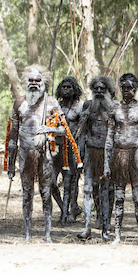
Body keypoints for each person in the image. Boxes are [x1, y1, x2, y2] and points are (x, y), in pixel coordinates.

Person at [7, 67, 72, 243]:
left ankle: (47, 234)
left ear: (44, 83)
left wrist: (49, 129)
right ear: (26, 82)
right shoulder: (19, 103)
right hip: (25, 154)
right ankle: (27, 234)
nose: (34, 84)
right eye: (31, 80)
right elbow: (13, 134)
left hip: (46, 156)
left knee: (45, 193)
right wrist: (10, 163)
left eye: (38, 81)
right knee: (27, 193)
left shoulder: (51, 103)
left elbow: (64, 131)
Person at [104, 73, 138, 246]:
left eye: (130, 87)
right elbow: (109, 137)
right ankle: (117, 234)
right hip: (118, 154)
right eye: (123, 87)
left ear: (136, 88)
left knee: (137, 198)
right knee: (119, 197)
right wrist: (106, 164)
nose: (126, 90)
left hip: (136, 154)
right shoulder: (114, 108)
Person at [77, 75, 117, 241]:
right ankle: (87, 227)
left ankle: (105, 229)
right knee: (88, 190)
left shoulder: (114, 108)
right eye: (96, 89)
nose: (99, 92)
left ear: (109, 91)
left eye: (103, 89)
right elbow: (81, 133)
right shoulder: (87, 106)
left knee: (107, 191)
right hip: (91, 153)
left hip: (109, 155)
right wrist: (80, 156)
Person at [52, 76, 84, 223]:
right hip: (55, 148)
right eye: (64, 87)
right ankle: (64, 209)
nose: (66, 90)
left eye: (69, 87)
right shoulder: (54, 106)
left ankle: (69, 212)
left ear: (74, 89)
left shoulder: (80, 107)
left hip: (73, 149)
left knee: (71, 181)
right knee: (51, 182)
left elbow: (84, 129)